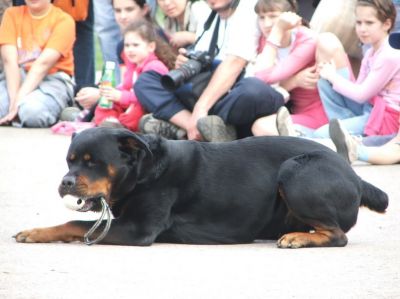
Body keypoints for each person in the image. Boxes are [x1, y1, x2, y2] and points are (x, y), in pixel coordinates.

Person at [135, 0, 285, 141]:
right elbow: (202, 57)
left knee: (253, 89)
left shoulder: (250, 7)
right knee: (146, 81)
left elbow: (235, 63)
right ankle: (196, 127)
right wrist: (186, 62)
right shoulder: (206, 12)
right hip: (209, 93)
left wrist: (201, 108)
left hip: (236, 90)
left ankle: (190, 129)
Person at [313, 0, 400, 138]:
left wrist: (333, 76)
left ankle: (342, 133)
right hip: (369, 108)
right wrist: (330, 75)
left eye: (369, 23)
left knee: (319, 134)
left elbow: (361, 95)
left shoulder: (389, 54)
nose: (362, 29)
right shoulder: (371, 52)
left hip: (384, 117)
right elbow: (358, 88)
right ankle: (342, 129)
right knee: (324, 78)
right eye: (359, 23)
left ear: (386, 24)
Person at [249, 0, 328, 137]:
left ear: (289, 17)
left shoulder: (307, 39)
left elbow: (262, 78)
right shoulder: (265, 40)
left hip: (315, 113)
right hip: (288, 108)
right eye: (262, 17)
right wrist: (295, 81)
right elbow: (257, 83)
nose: (266, 24)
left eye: (273, 16)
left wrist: (278, 30)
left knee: (261, 127)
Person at [73, 0, 158, 114]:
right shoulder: (121, 46)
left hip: (151, 101)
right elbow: (126, 85)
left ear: (144, 9)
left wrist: (103, 95)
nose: (123, 16)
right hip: (130, 98)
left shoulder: (156, 41)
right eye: (117, 11)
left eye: (129, 9)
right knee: (93, 97)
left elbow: (150, 93)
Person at [0, 0, 75, 127]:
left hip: (52, 80)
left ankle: (62, 110)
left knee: (31, 113)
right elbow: (9, 61)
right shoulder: (11, 14)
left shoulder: (64, 20)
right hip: (18, 77)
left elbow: (42, 66)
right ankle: (17, 112)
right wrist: (14, 102)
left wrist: (18, 102)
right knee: (4, 109)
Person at [94, 20, 175, 131]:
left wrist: (121, 96)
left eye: (135, 45)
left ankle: (122, 128)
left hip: (149, 106)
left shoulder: (154, 66)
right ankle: (109, 122)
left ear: (151, 47)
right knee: (105, 104)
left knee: (136, 111)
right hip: (130, 103)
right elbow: (127, 87)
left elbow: (150, 96)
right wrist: (111, 92)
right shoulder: (133, 65)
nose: (130, 50)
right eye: (127, 45)